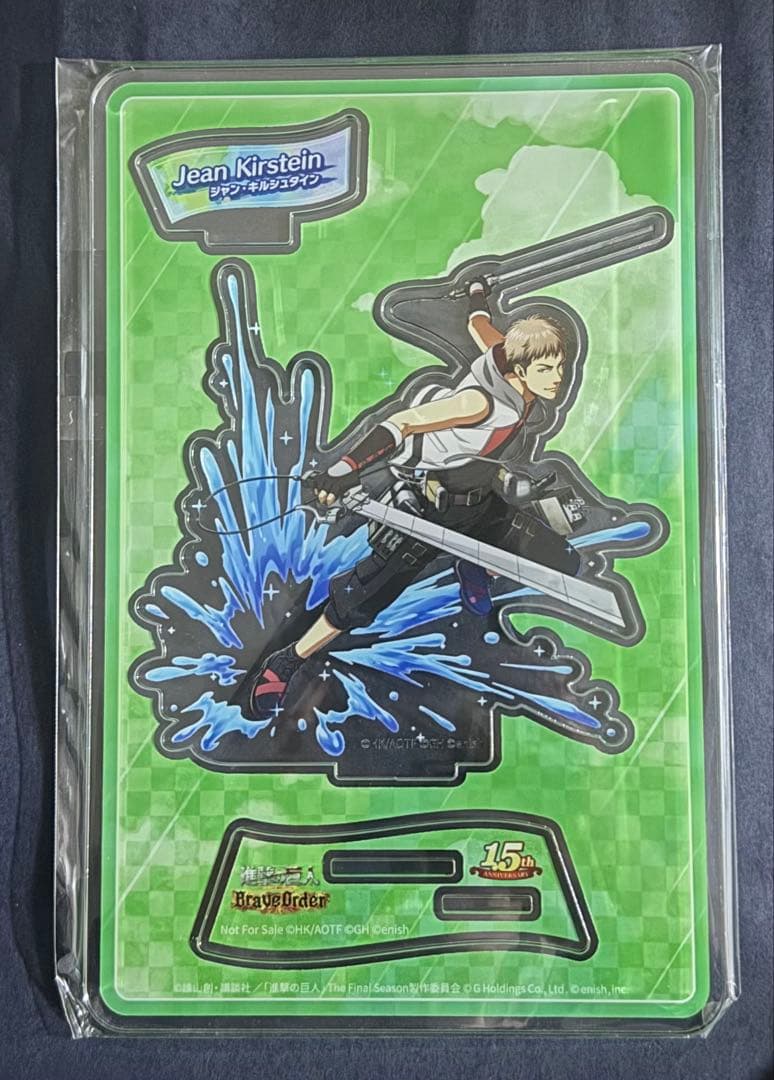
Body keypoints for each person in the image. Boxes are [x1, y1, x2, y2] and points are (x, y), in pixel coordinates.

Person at [248, 282, 580, 720]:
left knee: (563, 560)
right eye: (547, 368)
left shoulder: (509, 358)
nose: (558, 377)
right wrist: (345, 468)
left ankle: (473, 563)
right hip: (428, 511)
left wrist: (476, 294)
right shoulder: (478, 403)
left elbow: (478, 325)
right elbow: (403, 422)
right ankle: (286, 662)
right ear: (520, 370)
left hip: (480, 504)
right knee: (359, 601)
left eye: (560, 366)